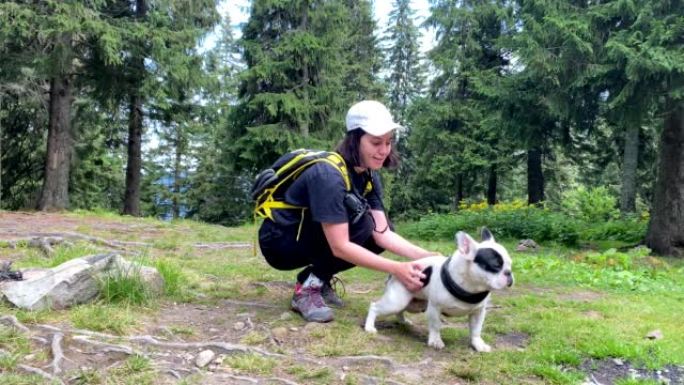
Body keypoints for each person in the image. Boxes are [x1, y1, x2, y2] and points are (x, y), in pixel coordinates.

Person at [258, 100, 436, 322]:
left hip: (305, 234)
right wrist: (397, 268)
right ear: (355, 139)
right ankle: (306, 291)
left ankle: (315, 279)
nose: (384, 151)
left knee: (376, 229)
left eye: (388, 142)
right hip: (280, 241)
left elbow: (383, 234)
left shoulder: (368, 175)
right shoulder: (328, 175)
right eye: (376, 142)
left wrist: (427, 256)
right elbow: (340, 246)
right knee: (363, 224)